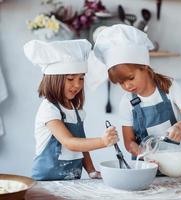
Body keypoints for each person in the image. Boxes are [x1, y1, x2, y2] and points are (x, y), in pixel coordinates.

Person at [88, 24, 181, 159]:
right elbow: (129, 142)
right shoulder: (127, 102)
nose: (127, 86)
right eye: (121, 83)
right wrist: (144, 154)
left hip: (174, 160)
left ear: (144, 66)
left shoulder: (169, 87)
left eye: (130, 78)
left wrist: (179, 127)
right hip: (144, 165)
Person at [23, 39, 119, 181]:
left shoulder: (76, 109)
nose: (77, 85)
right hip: (46, 183)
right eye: (70, 78)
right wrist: (102, 141)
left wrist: (91, 171)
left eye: (81, 78)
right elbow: (70, 142)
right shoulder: (49, 109)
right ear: (53, 79)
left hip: (72, 180)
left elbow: (81, 144)